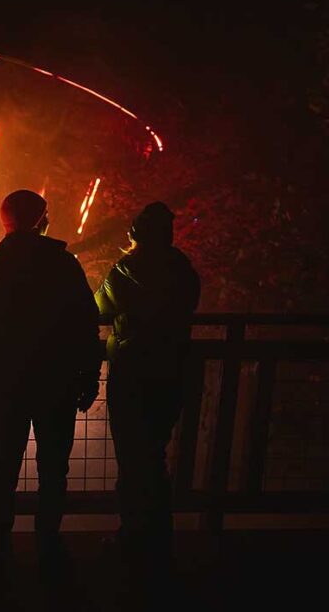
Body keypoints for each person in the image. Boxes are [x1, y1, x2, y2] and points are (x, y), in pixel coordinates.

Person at [0, 190, 102, 576]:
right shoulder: (63, 264)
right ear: (42, 220)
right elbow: (85, 321)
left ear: (3, 221)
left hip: (7, 379)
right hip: (57, 379)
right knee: (54, 467)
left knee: (3, 468)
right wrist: (89, 374)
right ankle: (48, 542)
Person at [95, 202, 200, 582]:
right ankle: (158, 538)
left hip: (131, 371)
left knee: (131, 456)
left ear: (135, 235)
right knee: (155, 454)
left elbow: (98, 307)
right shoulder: (184, 272)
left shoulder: (124, 271)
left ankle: (133, 537)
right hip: (171, 370)